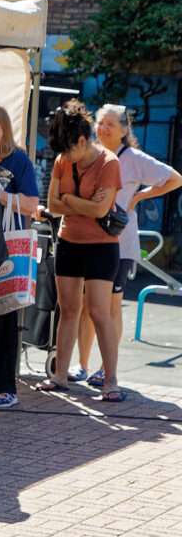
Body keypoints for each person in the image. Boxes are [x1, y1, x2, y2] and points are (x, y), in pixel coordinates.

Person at [76, 105, 180, 398]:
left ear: (124, 129)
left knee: (109, 307)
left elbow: (174, 178)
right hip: (87, 238)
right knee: (85, 305)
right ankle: (81, 364)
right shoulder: (90, 153)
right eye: (100, 123)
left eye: (110, 124)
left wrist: (138, 197)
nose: (104, 128)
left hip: (119, 243)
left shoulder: (133, 158)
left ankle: (105, 369)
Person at [39, 100, 122, 399]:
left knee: (100, 311)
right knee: (69, 309)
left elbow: (101, 210)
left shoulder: (109, 162)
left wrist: (71, 201)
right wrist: (79, 204)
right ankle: (59, 375)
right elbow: (52, 204)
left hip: (102, 246)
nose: (63, 156)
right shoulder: (63, 160)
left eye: (68, 148)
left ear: (84, 141)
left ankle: (111, 380)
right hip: (69, 242)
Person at [0, 106, 41, 410]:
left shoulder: (19, 160)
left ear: (3, 127)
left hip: (7, 250)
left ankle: (2, 385)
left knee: (3, 313)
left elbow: (31, 204)